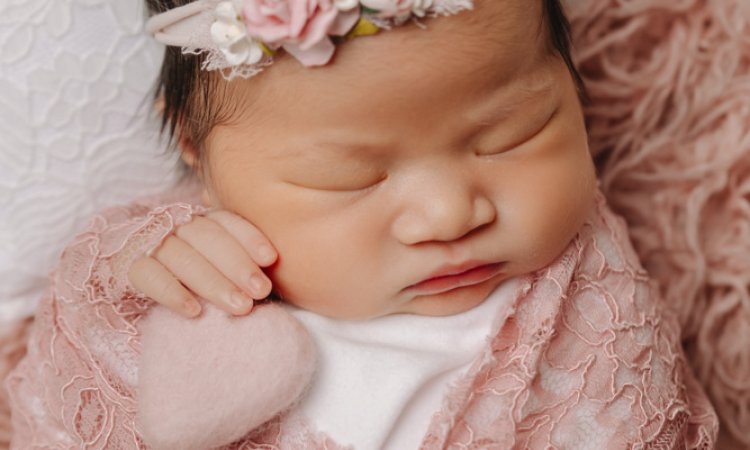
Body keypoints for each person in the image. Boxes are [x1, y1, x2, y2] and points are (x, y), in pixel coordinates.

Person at [6, 0, 719, 448]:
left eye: (512, 134)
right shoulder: (163, 256)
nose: (448, 214)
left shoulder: (590, 304)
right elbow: (73, 376)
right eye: (349, 177)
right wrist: (139, 280)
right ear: (199, 155)